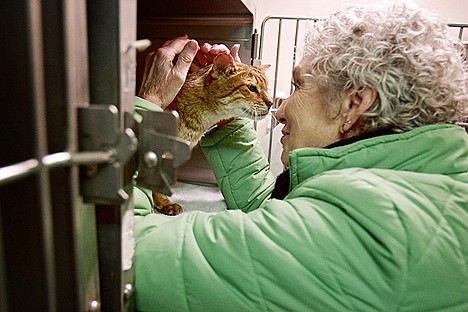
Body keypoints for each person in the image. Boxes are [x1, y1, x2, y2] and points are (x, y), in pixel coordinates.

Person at [132, 1, 468, 311]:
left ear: (355, 104)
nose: (280, 110)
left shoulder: (368, 225)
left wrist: (148, 108)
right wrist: (226, 117)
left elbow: (129, 258)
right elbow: (276, 216)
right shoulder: (421, 189)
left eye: (297, 86)